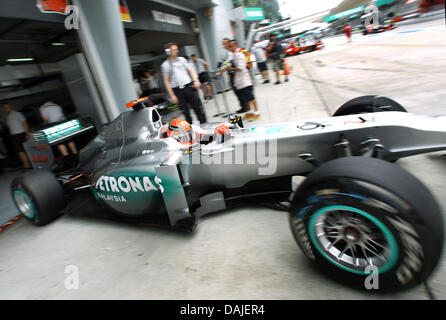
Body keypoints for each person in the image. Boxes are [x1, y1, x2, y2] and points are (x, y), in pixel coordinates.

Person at [161, 43, 207, 124]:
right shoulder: (165, 65)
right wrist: (172, 95)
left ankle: (204, 125)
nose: (176, 51)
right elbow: (166, 81)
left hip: (188, 87)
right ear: (168, 52)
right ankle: (190, 130)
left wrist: (195, 80)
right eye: (174, 50)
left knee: (197, 108)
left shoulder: (182, 60)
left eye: (177, 49)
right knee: (186, 113)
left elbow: (191, 70)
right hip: (177, 91)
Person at [228, 39, 260, 121]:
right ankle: (249, 111)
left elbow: (241, 67)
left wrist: (231, 68)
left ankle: (257, 113)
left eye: (231, 46)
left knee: (250, 97)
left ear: (235, 45)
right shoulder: (234, 55)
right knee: (245, 98)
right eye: (229, 46)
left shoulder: (239, 54)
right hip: (240, 80)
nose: (230, 48)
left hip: (244, 80)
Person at [216, 37, 246, 113]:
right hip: (232, 74)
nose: (224, 45)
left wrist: (221, 71)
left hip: (236, 74)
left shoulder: (231, 53)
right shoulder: (228, 53)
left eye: (225, 43)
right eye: (223, 44)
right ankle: (243, 106)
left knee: (240, 91)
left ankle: (244, 106)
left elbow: (228, 64)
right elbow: (226, 64)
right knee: (237, 91)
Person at [0, 102, 31, 169]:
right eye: (4, 108)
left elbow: (25, 123)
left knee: (25, 150)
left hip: (21, 134)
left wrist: (27, 134)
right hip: (14, 136)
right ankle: (27, 166)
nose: (6, 109)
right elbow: (9, 126)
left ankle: (30, 165)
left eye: (7, 107)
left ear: (10, 107)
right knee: (20, 151)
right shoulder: (8, 116)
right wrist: (3, 121)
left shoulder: (17, 114)